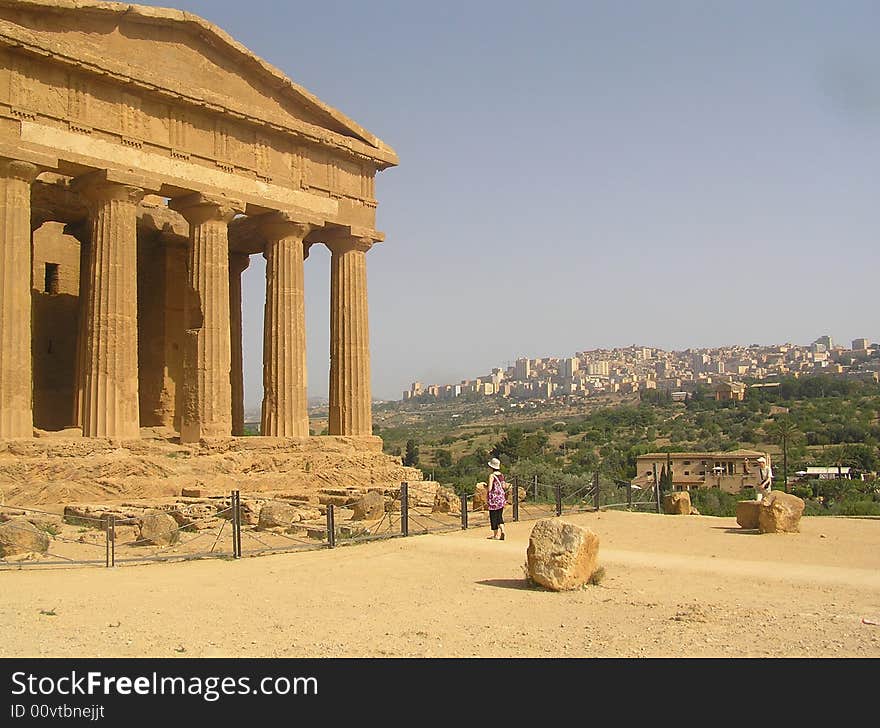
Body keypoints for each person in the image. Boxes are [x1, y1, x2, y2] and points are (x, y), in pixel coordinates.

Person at [486, 457, 507, 540]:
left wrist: (486, 488)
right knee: (499, 516)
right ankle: (503, 530)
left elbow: (490, 488)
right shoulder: (501, 475)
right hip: (501, 498)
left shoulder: (492, 476)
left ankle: (496, 535)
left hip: (493, 499)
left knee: (493, 516)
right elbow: (504, 486)